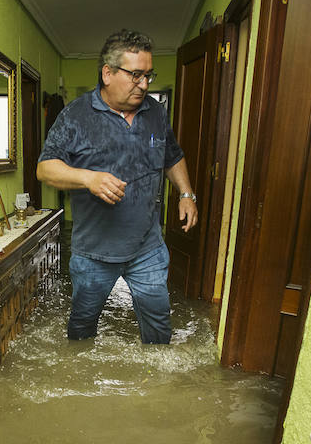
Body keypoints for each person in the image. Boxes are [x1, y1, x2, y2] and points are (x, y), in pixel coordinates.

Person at [37, 28, 199, 344]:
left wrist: (186, 193)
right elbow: (45, 169)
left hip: (147, 248)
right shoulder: (76, 115)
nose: (144, 84)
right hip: (93, 253)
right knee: (82, 331)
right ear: (107, 73)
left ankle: (156, 390)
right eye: (136, 75)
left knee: (159, 333)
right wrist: (88, 177)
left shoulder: (155, 112)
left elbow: (173, 155)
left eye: (148, 75)